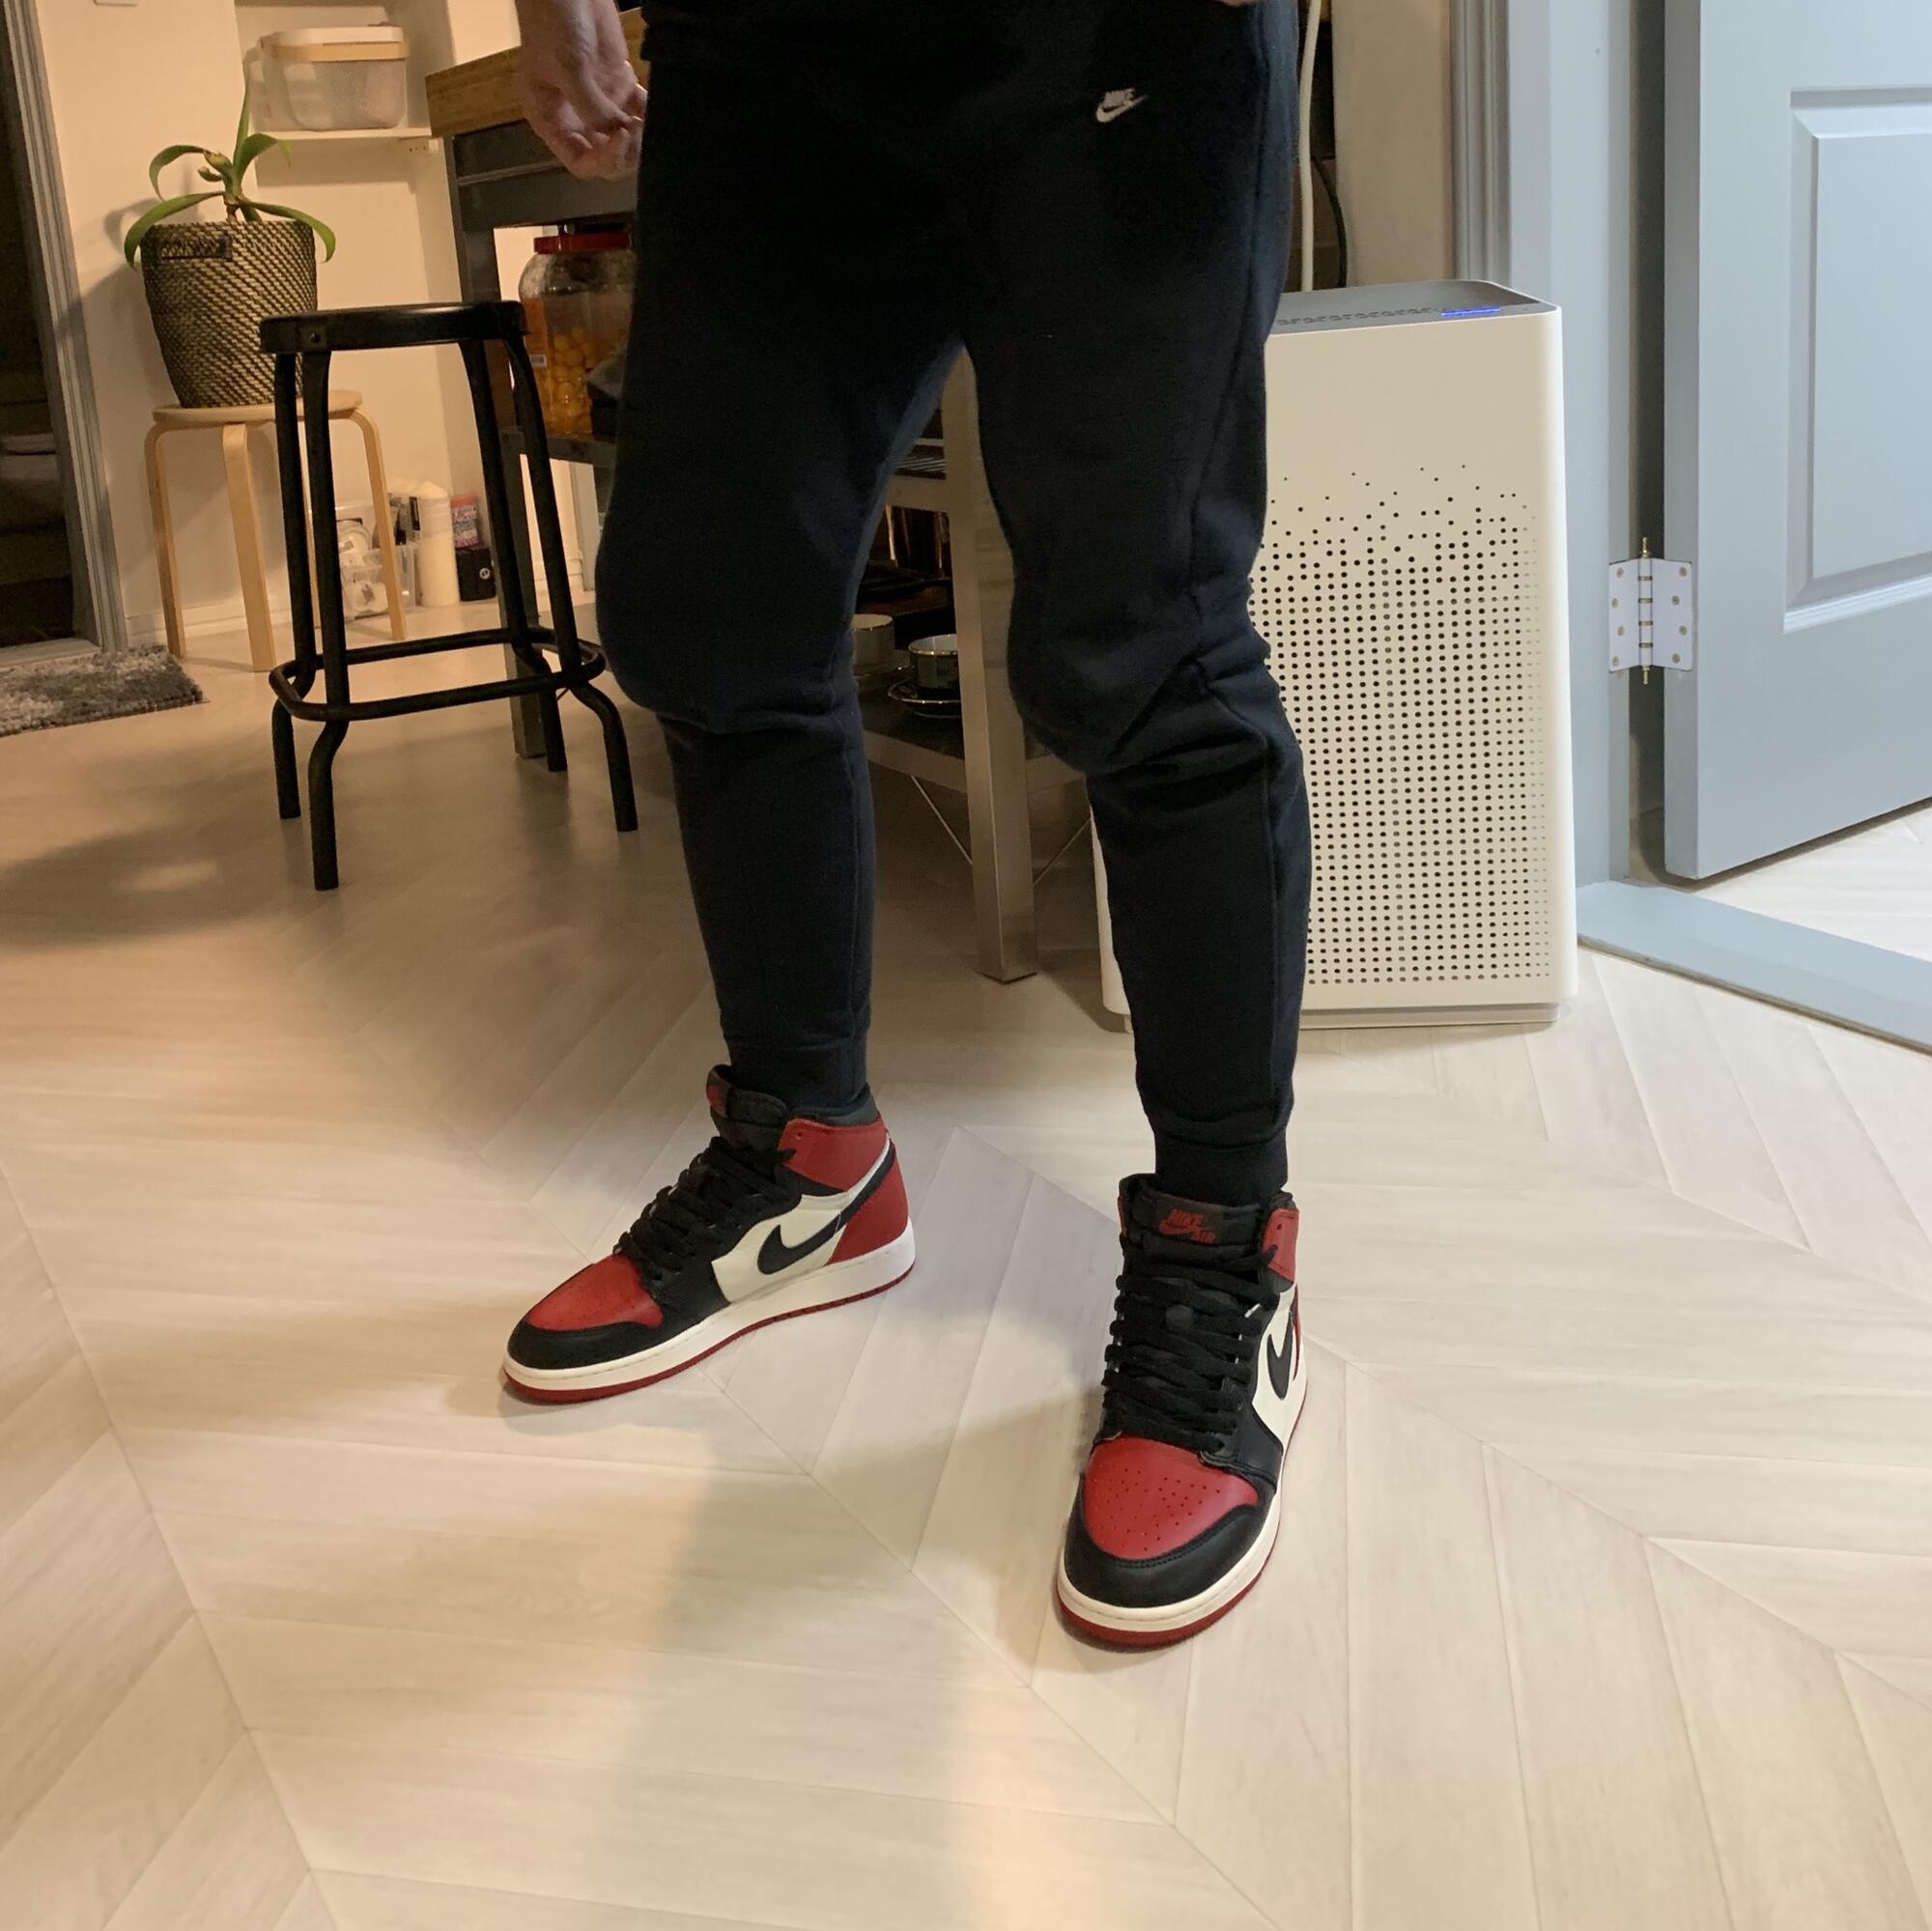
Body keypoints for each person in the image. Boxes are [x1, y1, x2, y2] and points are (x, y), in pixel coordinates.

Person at [502, 0, 1312, 1649]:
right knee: (707, 615)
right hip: (764, 46)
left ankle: (1225, 1249)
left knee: (1140, 647)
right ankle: (808, 1164)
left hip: (1112, 26)